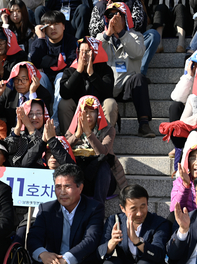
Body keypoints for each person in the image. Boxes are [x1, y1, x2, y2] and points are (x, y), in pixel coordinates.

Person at [96, 2, 156, 138]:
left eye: (117, 16)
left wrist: (122, 34)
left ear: (126, 18)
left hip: (126, 85)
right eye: (110, 16)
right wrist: (107, 35)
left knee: (140, 78)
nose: (114, 19)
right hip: (107, 86)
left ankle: (144, 124)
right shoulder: (101, 38)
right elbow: (95, 56)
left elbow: (137, 53)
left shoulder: (136, 36)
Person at [65, 95, 127, 203]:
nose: (88, 115)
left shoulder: (108, 130)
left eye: (92, 111)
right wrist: (77, 134)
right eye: (85, 111)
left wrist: (88, 133)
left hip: (102, 180)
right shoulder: (72, 130)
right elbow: (64, 149)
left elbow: (103, 152)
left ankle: (98, 209)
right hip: (81, 178)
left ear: (98, 113)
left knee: (104, 163)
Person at [59, 36, 117, 135]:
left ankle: (104, 140)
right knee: (64, 104)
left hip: (97, 109)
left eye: (88, 52)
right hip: (78, 110)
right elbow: (64, 93)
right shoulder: (70, 70)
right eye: (81, 51)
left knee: (110, 103)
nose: (84, 55)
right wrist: (78, 72)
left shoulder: (105, 70)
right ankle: (69, 140)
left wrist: (92, 75)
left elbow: (108, 93)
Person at [29, 11, 77, 126]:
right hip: (47, 86)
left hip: (65, 88)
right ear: (43, 28)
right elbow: (34, 62)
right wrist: (40, 38)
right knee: (40, 77)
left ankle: (55, 121)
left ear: (64, 26)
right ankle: (42, 120)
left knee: (61, 76)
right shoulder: (38, 42)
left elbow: (71, 64)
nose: (52, 28)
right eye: (48, 25)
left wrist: (45, 62)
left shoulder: (72, 42)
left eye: (56, 24)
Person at [0, 61, 52, 131]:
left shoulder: (44, 94)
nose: (19, 83)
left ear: (32, 79)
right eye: (16, 79)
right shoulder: (8, 92)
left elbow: (39, 121)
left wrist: (32, 93)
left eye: (24, 79)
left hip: (34, 134)